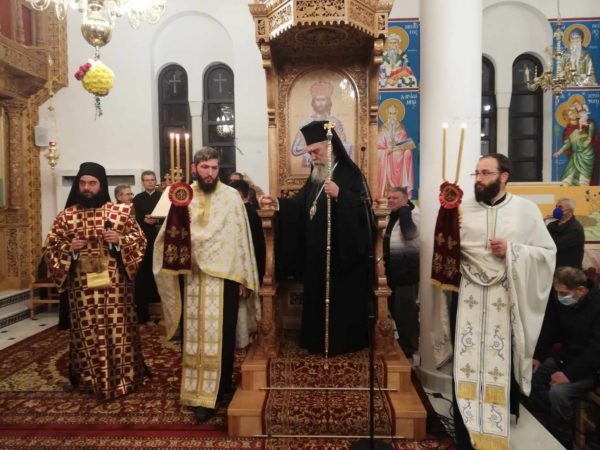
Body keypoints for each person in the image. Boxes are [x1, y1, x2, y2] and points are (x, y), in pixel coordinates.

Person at [452, 154, 556, 449]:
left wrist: (512, 250)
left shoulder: (526, 210)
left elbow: (547, 254)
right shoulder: (463, 209)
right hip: (468, 298)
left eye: (485, 173)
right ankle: (466, 429)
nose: (479, 179)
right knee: (466, 359)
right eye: (476, 173)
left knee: (499, 360)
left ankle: (495, 425)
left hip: (505, 299)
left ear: (504, 176)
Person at [153, 147, 259, 423]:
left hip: (225, 277)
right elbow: (168, 236)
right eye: (204, 168)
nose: (209, 173)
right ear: (194, 168)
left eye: (214, 168)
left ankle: (220, 388)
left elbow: (240, 240)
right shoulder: (182, 195)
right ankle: (197, 393)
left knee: (222, 336)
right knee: (194, 337)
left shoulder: (231, 196)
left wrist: (243, 276)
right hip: (194, 277)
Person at [263, 120, 371, 356]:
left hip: (342, 257)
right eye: (310, 152)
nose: (312, 157)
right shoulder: (316, 174)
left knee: (340, 301)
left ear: (330, 147)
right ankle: (316, 340)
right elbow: (300, 203)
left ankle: (342, 342)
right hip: (316, 254)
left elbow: (365, 211)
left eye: (316, 151)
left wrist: (341, 195)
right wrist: (278, 203)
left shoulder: (352, 175)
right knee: (317, 297)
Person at [43, 162, 148, 400]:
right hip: (82, 288)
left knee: (119, 331)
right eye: (82, 183)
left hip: (115, 286)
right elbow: (49, 247)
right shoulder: (66, 216)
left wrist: (120, 240)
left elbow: (140, 240)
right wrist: (69, 248)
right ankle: (89, 378)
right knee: (87, 331)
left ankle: (124, 377)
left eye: (92, 183)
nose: (87, 188)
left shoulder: (121, 212)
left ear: (102, 185)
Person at [527, 267, 600, 449]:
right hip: (565, 358)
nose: (560, 297)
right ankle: (550, 415)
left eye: (563, 293)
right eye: (557, 292)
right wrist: (538, 357)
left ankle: (562, 440)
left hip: (590, 368)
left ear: (580, 290)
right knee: (530, 377)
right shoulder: (564, 300)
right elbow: (551, 329)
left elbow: (595, 351)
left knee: (558, 394)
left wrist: (568, 375)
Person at [383, 186, 420, 359]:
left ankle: (409, 347)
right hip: (391, 272)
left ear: (405, 199)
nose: (390, 201)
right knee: (395, 310)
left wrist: (405, 211)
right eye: (389, 198)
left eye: (395, 198)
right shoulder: (390, 216)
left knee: (406, 313)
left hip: (406, 273)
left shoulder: (413, 214)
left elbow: (410, 234)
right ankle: (403, 342)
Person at [291, 81, 353, 161]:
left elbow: (343, 146)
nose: (320, 103)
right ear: (313, 102)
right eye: (318, 100)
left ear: (328, 102)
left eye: (323, 100)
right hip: (312, 162)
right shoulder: (306, 123)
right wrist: (313, 147)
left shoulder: (335, 122)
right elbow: (295, 150)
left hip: (330, 162)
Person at [132, 170, 162, 323]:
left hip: (160, 236)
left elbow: (170, 215)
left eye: (152, 179)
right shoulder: (137, 199)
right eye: (147, 180)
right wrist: (143, 220)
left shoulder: (163, 197)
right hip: (144, 238)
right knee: (145, 270)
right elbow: (134, 218)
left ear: (156, 181)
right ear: (142, 182)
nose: (150, 182)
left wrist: (157, 221)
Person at [377, 103, 416, 198]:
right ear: (387, 114)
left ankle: (401, 188)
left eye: (394, 114)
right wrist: (387, 151)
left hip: (399, 158)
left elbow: (406, 143)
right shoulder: (382, 129)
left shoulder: (401, 128)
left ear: (397, 114)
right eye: (390, 114)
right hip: (387, 158)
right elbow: (378, 148)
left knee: (406, 153)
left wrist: (398, 148)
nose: (392, 116)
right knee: (393, 155)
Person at [231, 179, 266, 284]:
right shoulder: (253, 210)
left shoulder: (242, 213)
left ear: (238, 194)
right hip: (255, 262)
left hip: (246, 265)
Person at [547, 197, 585, 269]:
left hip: (567, 270)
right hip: (552, 266)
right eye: (556, 207)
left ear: (570, 212)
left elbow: (554, 246)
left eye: (560, 207)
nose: (556, 209)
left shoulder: (575, 229)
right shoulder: (551, 225)